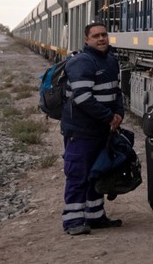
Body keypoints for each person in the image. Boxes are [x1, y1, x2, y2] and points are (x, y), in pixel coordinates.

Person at [59, 22, 125, 236]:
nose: (101, 39)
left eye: (104, 34)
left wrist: (119, 113)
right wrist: (109, 117)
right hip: (81, 130)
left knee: (97, 173)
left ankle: (95, 216)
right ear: (87, 40)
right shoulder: (82, 62)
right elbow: (83, 98)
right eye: (96, 36)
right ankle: (73, 221)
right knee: (78, 174)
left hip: (101, 130)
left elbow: (116, 91)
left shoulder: (111, 61)